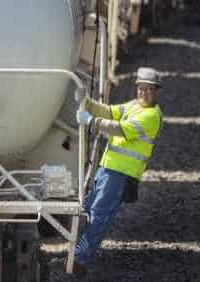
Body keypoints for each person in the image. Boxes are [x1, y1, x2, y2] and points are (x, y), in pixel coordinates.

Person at [72, 67, 164, 276]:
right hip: (108, 168)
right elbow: (109, 112)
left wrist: (90, 121)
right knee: (88, 210)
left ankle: (80, 259)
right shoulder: (134, 105)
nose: (144, 93)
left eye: (149, 89)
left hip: (120, 174)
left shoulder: (151, 116)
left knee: (99, 215)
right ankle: (75, 254)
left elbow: (120, 129)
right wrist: (86, 102)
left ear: (157, 92)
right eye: (141, 88)